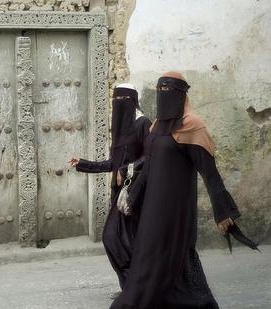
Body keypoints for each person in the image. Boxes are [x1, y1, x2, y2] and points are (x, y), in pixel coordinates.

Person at [110, 72, 258, 309]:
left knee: (171, 256)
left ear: (182, 94)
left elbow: (210, 173)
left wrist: (222, 212)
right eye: (160, 90)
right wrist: (133, 196)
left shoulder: (193, 126)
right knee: (152, 255)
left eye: (169, 90)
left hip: (176, 209)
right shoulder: (157, 126)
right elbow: (149, 165)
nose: (163, 95)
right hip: (152, 207)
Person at [69, 84, 151, 298]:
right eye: (116, 99)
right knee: (121, 240)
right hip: (120, 195)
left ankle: (136, 288)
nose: (119, 103)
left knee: (114, 237)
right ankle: (131, 288)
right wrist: (83, 164)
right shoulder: (121, 130)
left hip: (136, 194)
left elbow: (151, 158)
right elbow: (112, 164)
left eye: (123, 98)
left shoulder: (143, 123)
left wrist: (127, 169)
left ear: (132, 101)